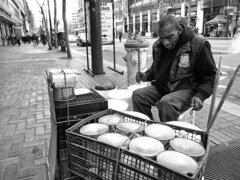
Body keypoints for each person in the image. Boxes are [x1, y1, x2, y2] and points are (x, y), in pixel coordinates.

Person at [132, 15, 217, 122]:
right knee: (138, 95)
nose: (165, 42)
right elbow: (156, 68)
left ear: (180, 30)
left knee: (166, 103)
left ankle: (170, 135)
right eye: (161, 38)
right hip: (163, 87)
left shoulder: (198, 44)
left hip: (186, 89)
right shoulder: (158, 46)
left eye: (169, 37)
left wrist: (200, 95)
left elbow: (210, 76)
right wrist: (146, 75)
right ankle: (147, 127)